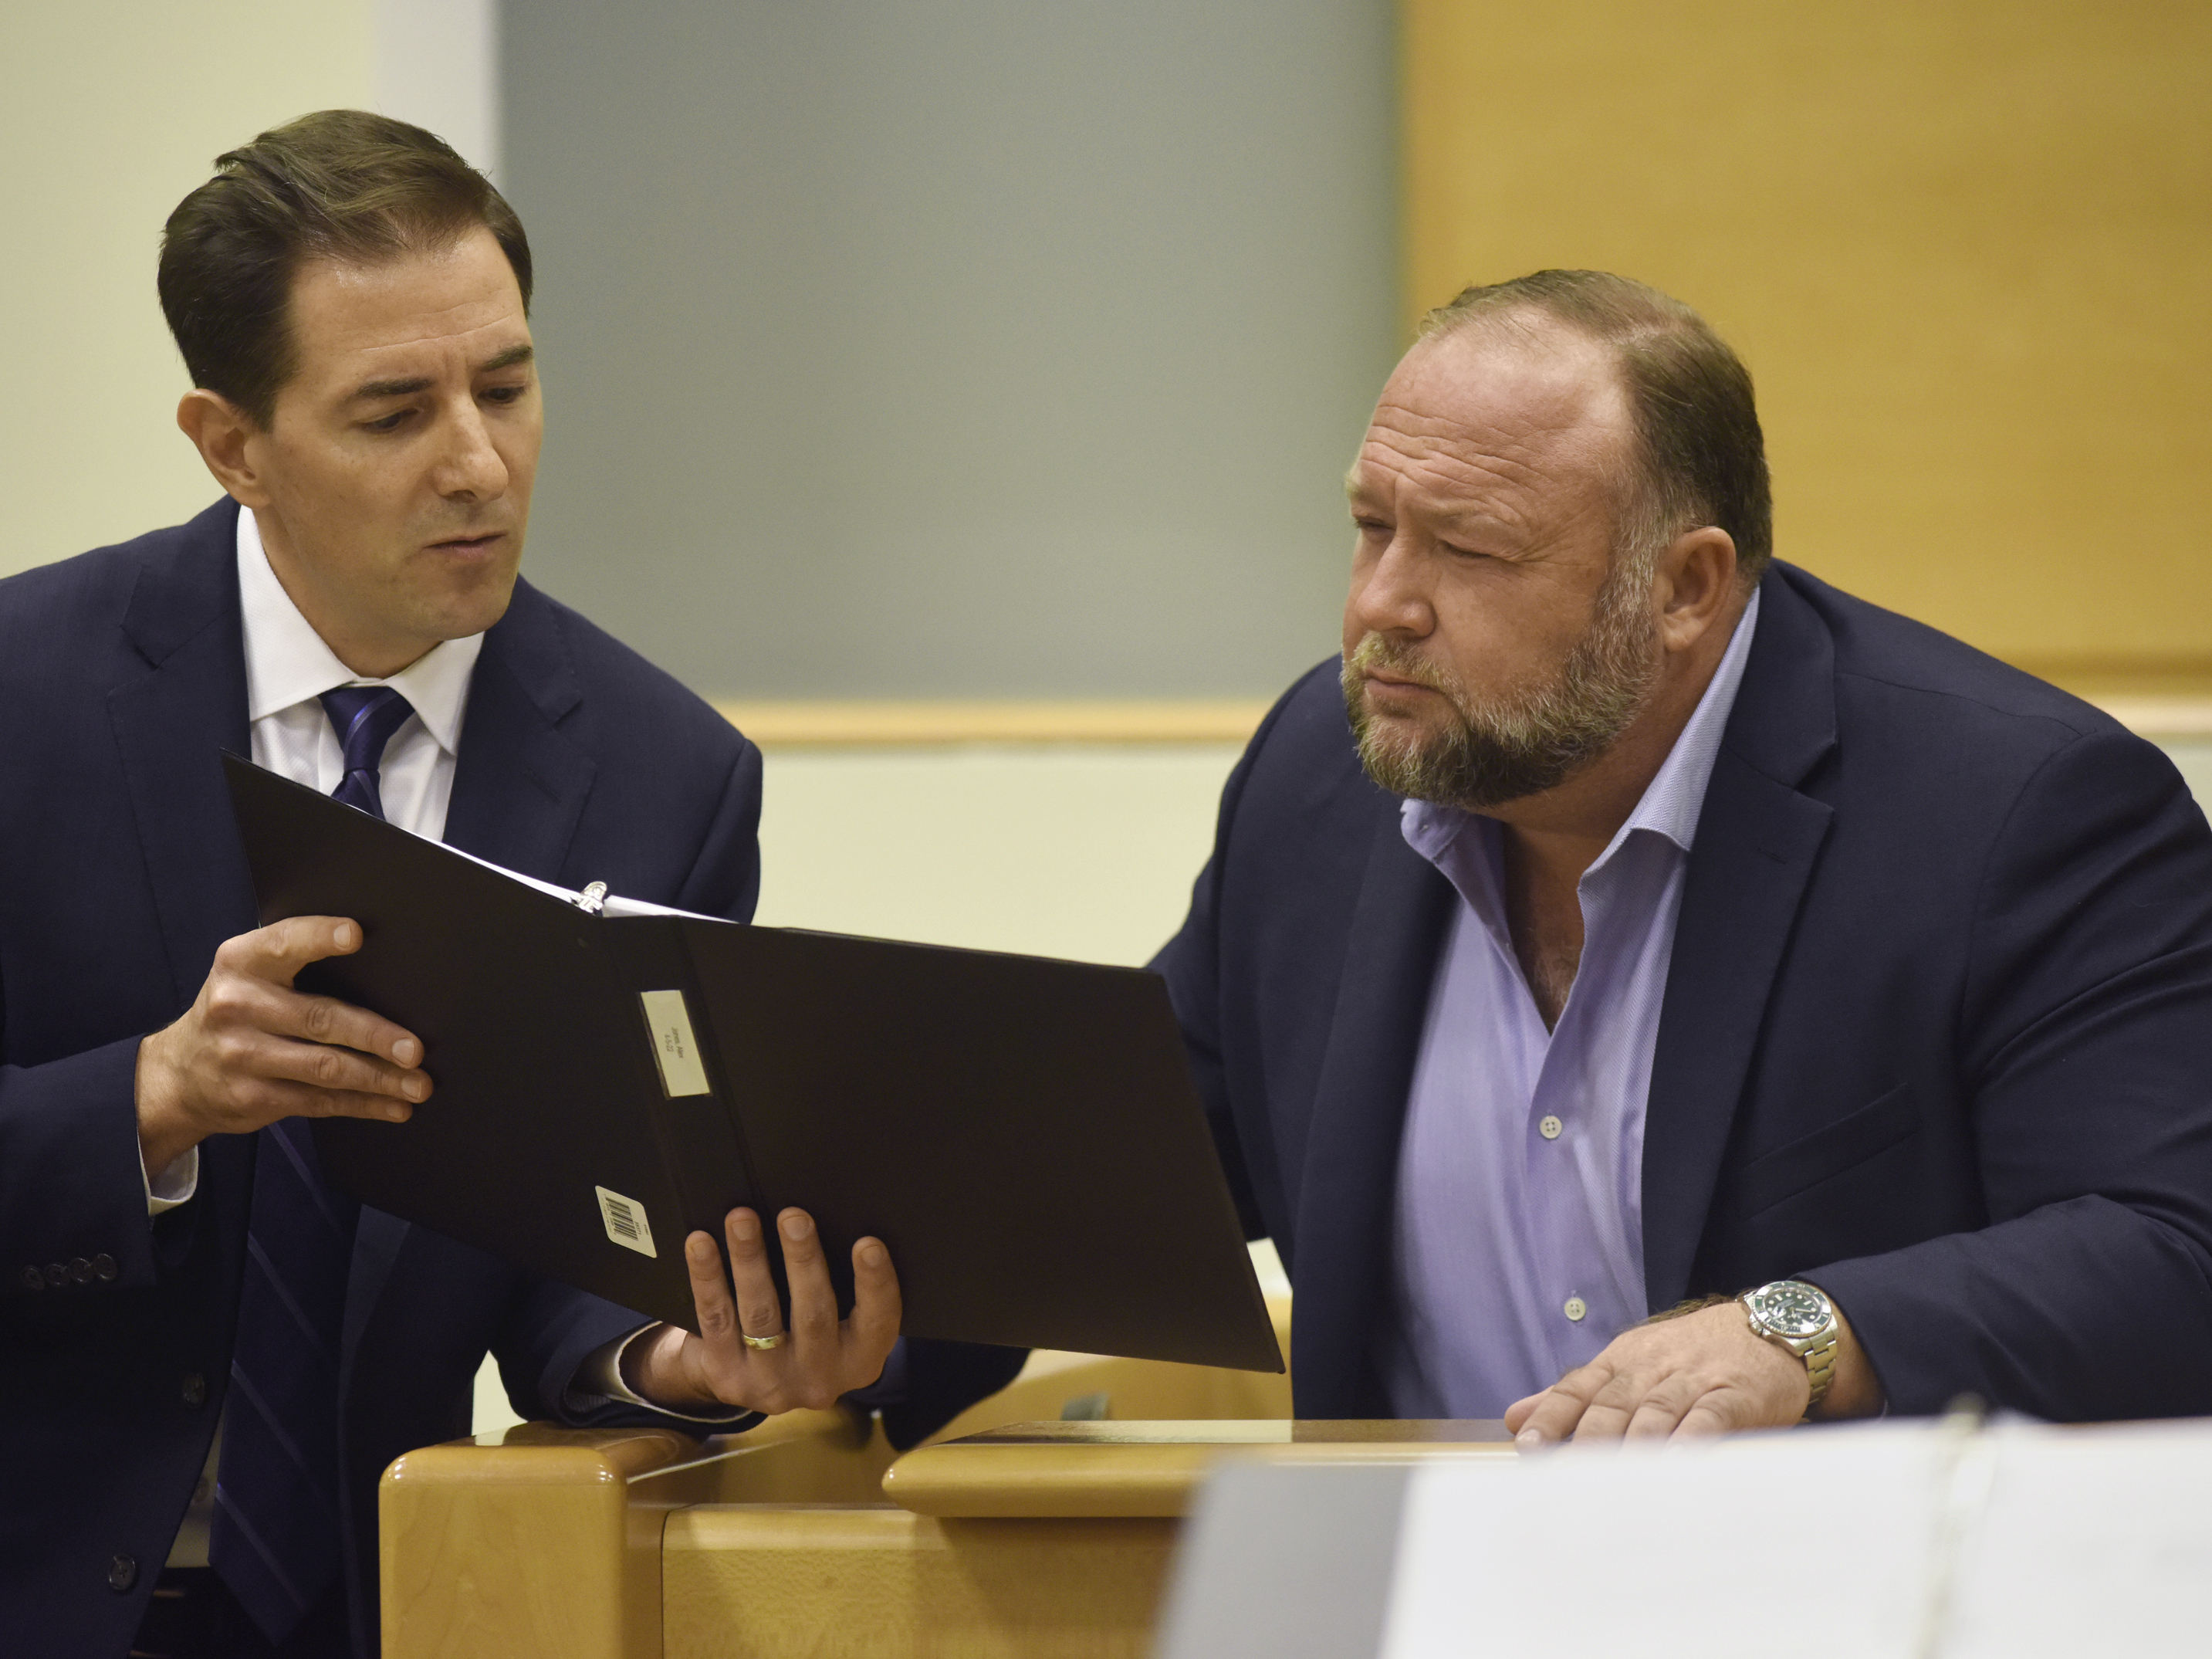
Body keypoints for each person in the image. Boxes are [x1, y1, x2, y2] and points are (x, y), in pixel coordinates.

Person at [0, 111, 1020, 1659]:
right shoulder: (26, 694)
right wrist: (146, 1102)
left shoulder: (665, 771)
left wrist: (679, 1354)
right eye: (393, 411)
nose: (476, 461)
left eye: (507, 386)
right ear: (231, 446)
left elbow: (579, 1258)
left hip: (402, 1605)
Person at [1155, 269, 2212, 1443]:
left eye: (1468, 549)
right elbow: (1118, 1174)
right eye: (1371, 526)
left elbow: (2174, 1249)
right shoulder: (1322, 777)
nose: (1381, 606)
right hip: (1412, 1598)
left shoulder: (2014, 813)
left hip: (1832, 1601)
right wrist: (914, 1292)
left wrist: (1806, 1332)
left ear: (1683, 588)